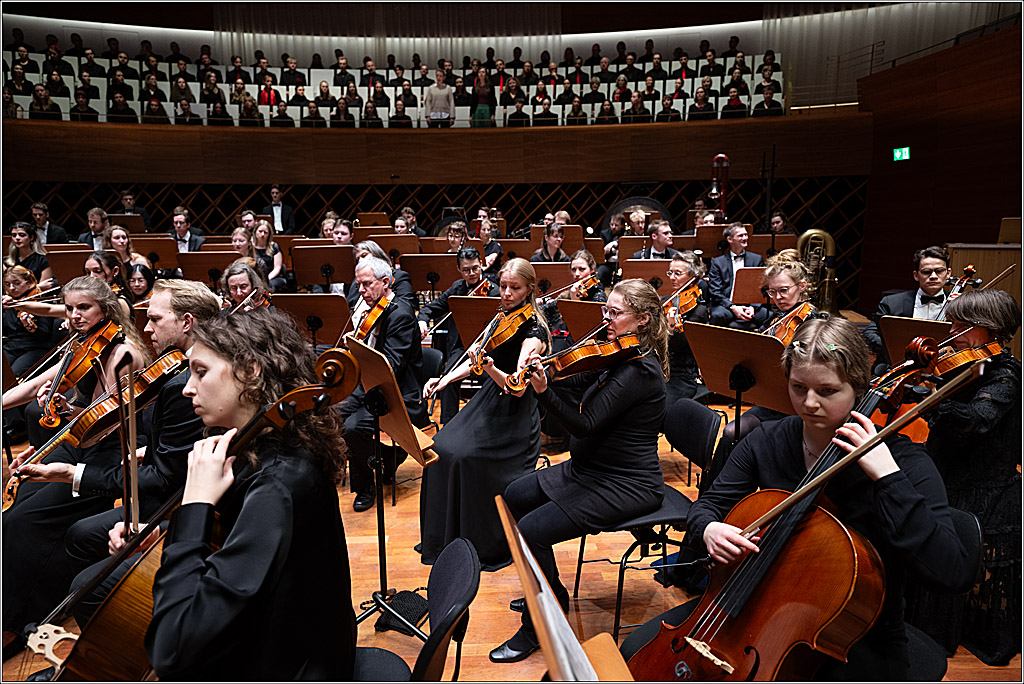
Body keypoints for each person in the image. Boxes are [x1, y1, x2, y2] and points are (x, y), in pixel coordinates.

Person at [623, 317, 973, 680]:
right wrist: (710, 528)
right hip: (748, 602)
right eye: (798, 387)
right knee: (637, 653)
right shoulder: (768, 440)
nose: (809, 403)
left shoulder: (905, 463)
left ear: (858, 388)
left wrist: (888, 477)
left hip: (856, 638)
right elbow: (707, 506)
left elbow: (952, 572)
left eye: (827, 391)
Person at [127, 308, 356, 679]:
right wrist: (167, 536)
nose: (187, 387)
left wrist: (197, 504)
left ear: (250, 371)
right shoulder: (271, 448)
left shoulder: (276, 484)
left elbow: (172, 649)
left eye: (200, 371)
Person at [20, 281, 216, 647]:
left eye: (156, 319)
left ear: (187, 322)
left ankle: (113, 643)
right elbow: (177, 447)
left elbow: (168, 476)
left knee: (81, 561)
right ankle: (89, 623)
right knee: (77, 533)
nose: (147, 328)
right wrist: (151, 451)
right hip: (168, 477)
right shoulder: (176, 369)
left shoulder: (186, 380)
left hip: (178, 500)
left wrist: (71, 474)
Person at [489, 278, 669, 663]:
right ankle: (552, 592)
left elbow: (585, 423)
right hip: (590, 469)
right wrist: (548, 370)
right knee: (515, 495)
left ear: (643, 319)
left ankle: (539, 626)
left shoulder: (640, 372)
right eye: (605, 310)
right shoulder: (615, 354)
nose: (606, 319)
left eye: (615, 314)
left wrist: (543, 391)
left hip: (625, 482)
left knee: (533, 530)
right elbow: (578, 380)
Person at [1, 277, 149, 658]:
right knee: (13, 510)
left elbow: (121, 423)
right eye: (69, 308)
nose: (74, 315)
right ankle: (15, 598)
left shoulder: (126, 354)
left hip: (108, 458)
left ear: (105, 308)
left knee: (23, 522)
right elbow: (37, 385)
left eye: (83, 307)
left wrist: (75, 413)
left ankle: (18, 621)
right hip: (78, 448)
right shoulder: (82, 346)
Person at [904, 290, 1021, 666]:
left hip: (983, 478)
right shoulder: (970, 363)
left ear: (988, 330)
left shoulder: (1006, 372)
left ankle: (964, 628)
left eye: (960, 326)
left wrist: (935, 398)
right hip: (949, 466)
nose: (951, 333)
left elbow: (978, 421)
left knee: (959, 543)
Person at [421, 258, 552, 570]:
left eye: (514, 288)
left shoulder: (534, 332)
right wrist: (445, 379)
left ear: (529, 290)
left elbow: (517, 388)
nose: (505, 293)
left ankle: (478, 542)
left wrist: (490, 367)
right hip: (489, 402)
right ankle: (444, 537)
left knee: (465, 457)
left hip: (514, 414)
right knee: (438, 447)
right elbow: (476, 357)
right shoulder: (500, 317)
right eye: (503, 286)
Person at [339, 256, 426, 511]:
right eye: (359, 285)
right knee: (332, 412)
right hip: (370, 384)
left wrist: (359, 350)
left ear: (386, 282)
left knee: (354, 427)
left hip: (395, 391)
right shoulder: (370, 308)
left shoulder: (400, 314)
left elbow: (391, 365)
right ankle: (386, 457)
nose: (362, 291)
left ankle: (367, 485)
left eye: (367, 284)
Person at [417, 247, 498, 424]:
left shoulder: (495, 292)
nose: (472, 274)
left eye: (475, 268)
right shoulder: (457, 289)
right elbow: (430, 308)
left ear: (482, 264)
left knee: (494, 379)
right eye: (466, 270)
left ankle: (489, 424)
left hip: (491, 349)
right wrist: (422, 320)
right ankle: (449, 425)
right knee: (448, 377)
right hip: (462, 347)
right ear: (458, 270)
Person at [862, 245, 951, 371]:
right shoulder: (892, 302)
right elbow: (870, 333)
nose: (933, 276)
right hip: (897, 367)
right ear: (916, 275)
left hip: (943, 368)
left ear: (948, 274)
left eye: (939, 271)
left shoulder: (958, 304)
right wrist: (895, 350)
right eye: (926, 272)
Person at [663, 251, 709, 411]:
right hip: (659, 370)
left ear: (693, 276)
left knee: (658, 409)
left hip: (682, 375)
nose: (672, 277)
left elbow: (679, 345)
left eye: (678, 273)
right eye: (670, 273)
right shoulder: (666, 301)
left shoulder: (699, 309)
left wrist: (669, 328)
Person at [708, 223, 768, 330]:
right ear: (730, 239)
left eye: (745, 235)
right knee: (718, 316)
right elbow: (715, 291)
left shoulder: (757, 259)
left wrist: (753, 307)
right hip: (726, 305)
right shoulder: (717, 262)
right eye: (740, 236)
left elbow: (761, 286)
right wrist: (733, 307)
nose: (745, 238)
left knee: (768, 316)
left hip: (750, 305)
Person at [5, 222, 54, 288]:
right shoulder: (6, 261)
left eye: (22, 235)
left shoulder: (44, 260)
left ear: (31, 237)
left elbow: (45, 289)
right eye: (14, 235)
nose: (17, 238)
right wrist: (38, 286)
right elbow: (6, 288)